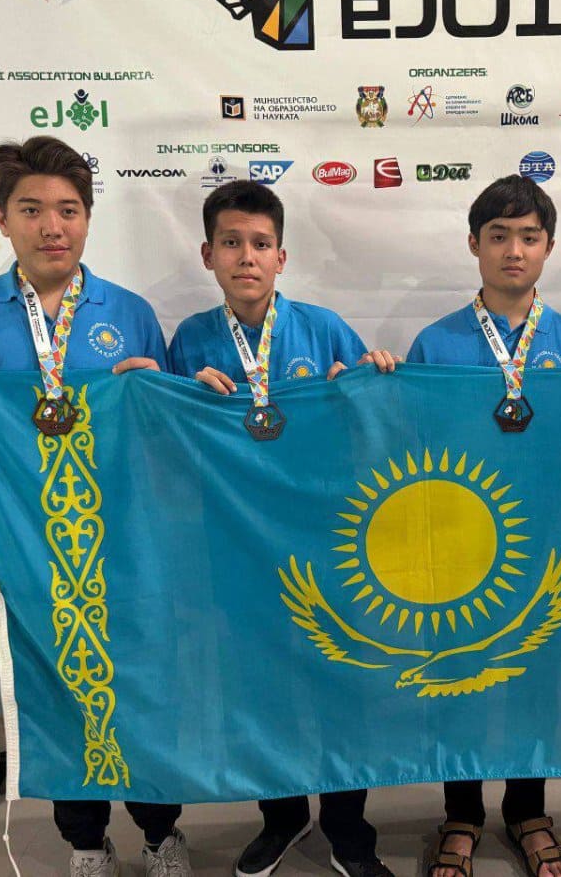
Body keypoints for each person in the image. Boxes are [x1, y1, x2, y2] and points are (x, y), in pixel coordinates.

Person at [0, 136, 188, 877]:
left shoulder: (129, 311)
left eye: (68, 209)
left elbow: (165, 443)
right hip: (25, 551)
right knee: (54, 699)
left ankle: (160, 835)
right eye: (32, 210)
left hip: (125, 550)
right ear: (2, 218)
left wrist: (154, 395)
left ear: (87, 218)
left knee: (141, 696)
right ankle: (85, 843)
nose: (53, 226)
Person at [167, 178, 396, 877]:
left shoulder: (323, 329)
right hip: (236, 544)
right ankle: (283, 815)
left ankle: (348, 828)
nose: (247, 257)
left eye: (261, 244)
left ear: (282, 256)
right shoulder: (191, 340)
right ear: (208, 254)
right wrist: (182, 400)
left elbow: (374, 435)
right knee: (258, 688)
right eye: (231, 243)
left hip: (325, 540)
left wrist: (372, 382)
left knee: (340, 684)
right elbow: (167, 445)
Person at [407, 174, 561, 877]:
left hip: (547, 546)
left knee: (536, 680)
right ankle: (461, 812)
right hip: (457, 550)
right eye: (498, 236)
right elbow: (408, 448)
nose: (513, 251)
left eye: (528, 237)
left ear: (548, 248)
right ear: (474, 244)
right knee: (459, 681)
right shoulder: (434, 344)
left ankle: (527, 809)